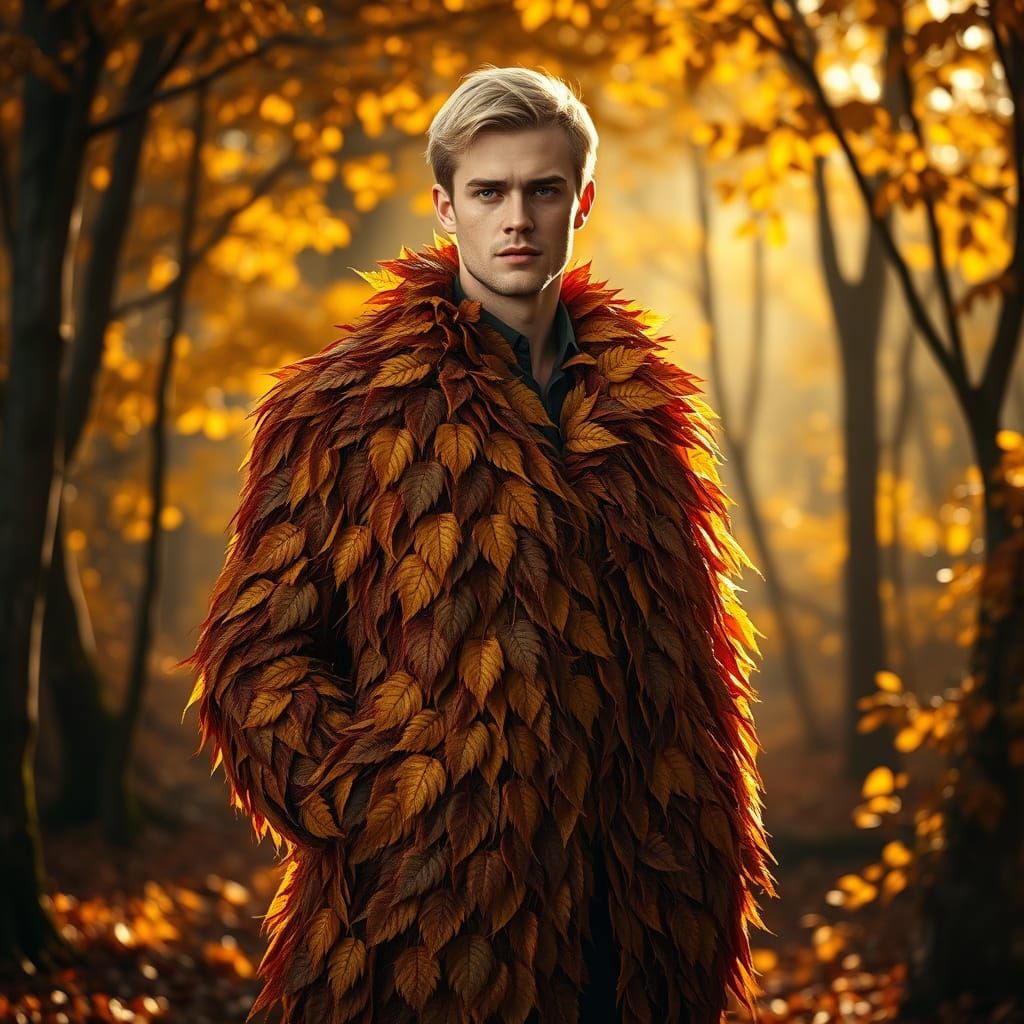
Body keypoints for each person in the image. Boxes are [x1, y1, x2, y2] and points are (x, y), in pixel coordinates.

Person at [184, 65, 774, 1024]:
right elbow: (254, 660)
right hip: (434, 917)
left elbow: (693, 662)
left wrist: (700, 845)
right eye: (489, 192)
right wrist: (388, 810)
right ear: (445, 208)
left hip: (636, 916)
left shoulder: (645, 412)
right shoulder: (343, 408)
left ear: (581, 203)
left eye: (543, 191)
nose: (518, 219)